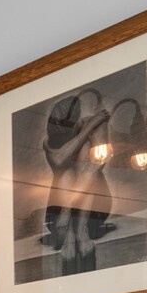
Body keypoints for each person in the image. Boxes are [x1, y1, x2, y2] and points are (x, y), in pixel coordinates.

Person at [41, 89, 115, 274]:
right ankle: (69, 236)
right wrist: (87, 130)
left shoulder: (93, 123)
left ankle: (79, 227)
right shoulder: (48, 142)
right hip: (56, 215)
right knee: (66, 173)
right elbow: (59, 159)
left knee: (89, 166)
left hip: (92, 213)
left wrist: (67, 210)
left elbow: (97, 163)